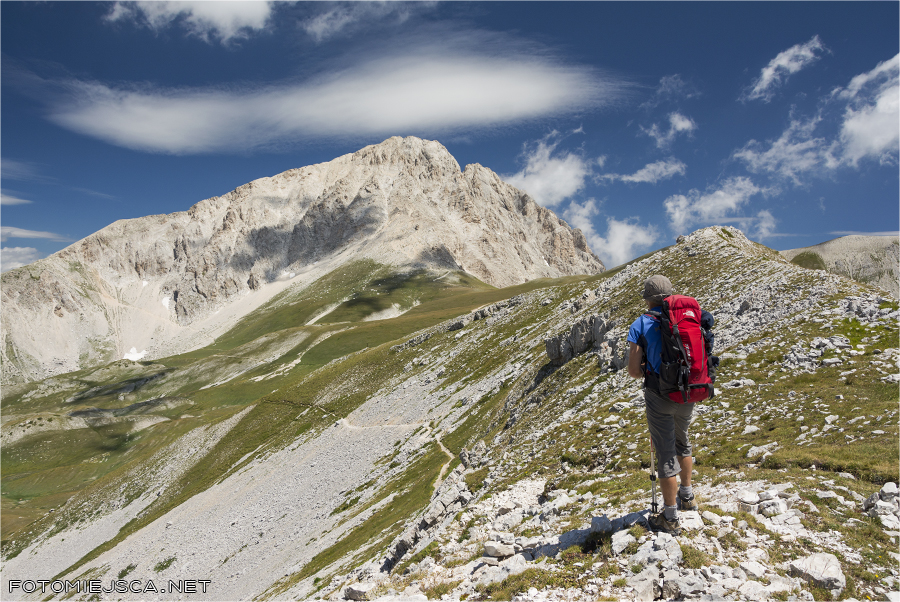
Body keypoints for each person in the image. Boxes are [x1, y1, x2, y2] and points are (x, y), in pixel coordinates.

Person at [626, 275, 698, 536]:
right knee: (683, 441)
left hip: (660, 395)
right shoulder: (687, 316)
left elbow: (634, 371)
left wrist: (648, 367)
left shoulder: (641, 323)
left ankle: (669, 516)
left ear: (647, 298)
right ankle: (687, 497)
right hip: (689, 391)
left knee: (665, 451)